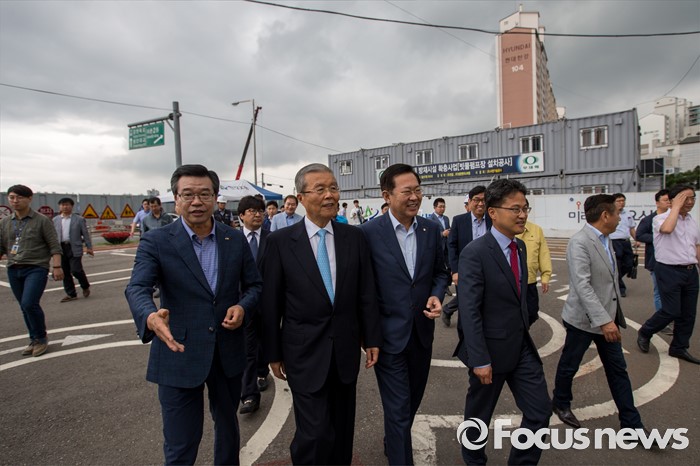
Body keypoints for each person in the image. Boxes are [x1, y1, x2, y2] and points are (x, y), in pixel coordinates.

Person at [125, 164, 263, 465]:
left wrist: (243, 307)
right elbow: (137, 287)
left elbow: (254, 285)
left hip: (227, 349)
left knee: (228, 429)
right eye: (188, 194)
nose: (196, 201)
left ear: (215, 198)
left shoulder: (234, 239)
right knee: (181, 442)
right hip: (178, 349)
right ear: (176, 199)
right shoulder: (157, 241)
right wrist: (150, 316)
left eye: (204, 194)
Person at [260, 163, 381, 464]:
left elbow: (366, 292)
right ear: (301, 198)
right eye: (320, 189)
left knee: (342, 429)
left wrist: (371, 338)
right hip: (302, 352)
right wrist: (272, 353)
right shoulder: (280, 242)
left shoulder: (354, 237)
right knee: (314, 433)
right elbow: (270, 303)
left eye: (333, 188)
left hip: (344, 350)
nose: (330, 195)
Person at [456, 179, 550, 465]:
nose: (522, 215)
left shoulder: (519, 247)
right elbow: (469, 310)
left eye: (525, 208)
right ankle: (474, 461)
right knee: (478, 419)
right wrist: (479, 358)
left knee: (540, 412)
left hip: (521, 347)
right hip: (489, 351)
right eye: (515, 209)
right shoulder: (475, 252)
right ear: (493, 212)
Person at [360, 163, 448, 465]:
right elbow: (363, 289)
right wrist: (367, 335)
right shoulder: (368, 233)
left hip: (421, 334)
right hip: (387, 337)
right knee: (398, 409)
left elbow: (440, 272)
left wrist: (436, 294)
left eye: (418, 190)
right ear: (387, 195)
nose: (414, 197)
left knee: (411, 402)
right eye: (407, 191)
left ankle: (393, 438)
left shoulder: (430, 229)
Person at [552, 194, 646, 432]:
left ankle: (631, 424)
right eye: (616, 213)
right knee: (569, 365)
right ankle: (561, 403)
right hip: (583, 320)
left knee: (617, 370)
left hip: (607, 319)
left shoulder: (606, 239)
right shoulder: (580, 242)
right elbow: (582, 286)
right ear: (605, 215)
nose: (619, 218)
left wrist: (610, 318)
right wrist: (604, 321)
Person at [638, 185, 700, 365]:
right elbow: (667, 229)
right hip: (668, 270)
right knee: (671, 310)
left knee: (688, 313)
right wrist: (676, 208)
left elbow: (696, 246)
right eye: (685, 198)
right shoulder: (660, 219)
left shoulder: (692, 221)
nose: (690, 202)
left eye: (693, 198)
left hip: (690, 271)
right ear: (673, 201)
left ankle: (679, 347)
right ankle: (646, 331)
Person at [0, 185, 63, 357]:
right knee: (24, 306)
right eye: (12, 197)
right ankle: (33, 338)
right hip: (13, 268)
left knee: (29, 303)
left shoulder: (42, 220)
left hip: (36, 267)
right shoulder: (5, 222)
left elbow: (54, 245)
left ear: (29, 198)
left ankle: (41, 338)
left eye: (19, 197)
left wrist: (57, 267)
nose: (15, 201)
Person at [237, 195, 271, 415]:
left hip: (268, 301)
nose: (257, 215)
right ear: (241, 215)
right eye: (252, 211)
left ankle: (262, 371)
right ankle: (249, 395)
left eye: (260, 211)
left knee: (265, 343)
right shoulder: (232, 239)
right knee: (247, 348)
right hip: (243, 303)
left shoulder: (272, 239)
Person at [444, 186, 491, 327]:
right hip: (465, 271)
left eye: (484, 200)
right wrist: (455, 271)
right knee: (466, 306)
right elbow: (452, 246)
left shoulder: (493, 220)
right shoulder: (459, 221)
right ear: (469, 202)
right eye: (477, 200)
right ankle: (464, 335)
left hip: (488, 271)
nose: (480, 204)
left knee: (487, 304)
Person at [635, 189, 670, 321]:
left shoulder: (675, 218)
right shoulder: (649, 220)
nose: (668, 202)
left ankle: (671, 316)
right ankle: (662, 320)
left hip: (674, 261)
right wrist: (658, 237)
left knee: (672, 291)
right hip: (656, 261)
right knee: (659, 292)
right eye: (665, 200)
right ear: (657, 203)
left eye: (670, 200)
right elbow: (639, 235)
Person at [53, 197, 93, 303]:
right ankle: (71, 294)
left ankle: (85, 286)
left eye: (67, 205)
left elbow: (85, 234)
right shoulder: (55, 220)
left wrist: (89, 247)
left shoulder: (79, 219)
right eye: (62, 205)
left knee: (76, 270)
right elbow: (52, 235)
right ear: (59, 207)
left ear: (72, 206)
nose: (65, 207)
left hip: (74, 247)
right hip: (61, 248)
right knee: (65, 272)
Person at [516, 217, 552, 321]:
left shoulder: (536, 229)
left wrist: (546, 275)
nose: (522, 214)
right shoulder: (507, 228)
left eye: (525, 210)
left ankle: (523, 330)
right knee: (513, 314)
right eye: (517, 210)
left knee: (532, 313)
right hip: (511, 283)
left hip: (529, 281)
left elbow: (543, 253)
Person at [610, 193, 636, 297]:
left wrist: (637, 239)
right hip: (614, 242)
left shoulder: (628, 214)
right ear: (613, 202)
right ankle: (621, 288)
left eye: (623, 200)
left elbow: (632, 228)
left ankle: (614, 280)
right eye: (619, 201)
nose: (621, 203)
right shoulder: (610, 214)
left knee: (629, 264)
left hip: (626, 242)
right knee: (617, 265)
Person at [428, 197, 450, 272]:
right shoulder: (430, 219)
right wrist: (442, 234)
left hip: (447, 246)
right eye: (440, 207)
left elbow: (448, 229)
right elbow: (430, 234)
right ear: (434, 207)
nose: (442, 209)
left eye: (444, 207)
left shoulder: (446, 218)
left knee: (448, 265)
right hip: (437, 246)